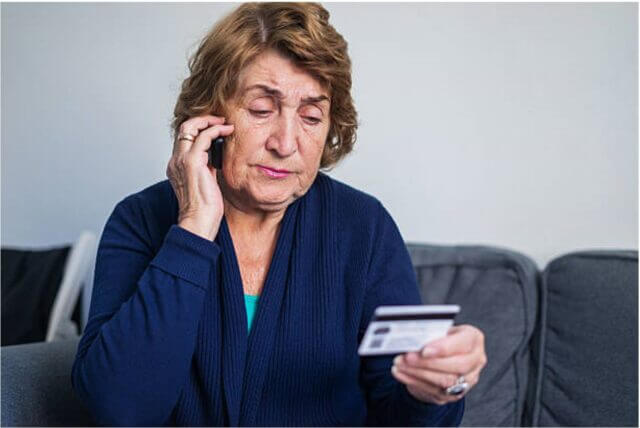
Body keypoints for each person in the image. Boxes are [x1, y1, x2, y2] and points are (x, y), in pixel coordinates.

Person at [72, 3, 487, 426]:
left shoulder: (365, 228)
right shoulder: (140, 220)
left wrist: (436, 389)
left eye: (310, 116)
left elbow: (402, 414)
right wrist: (193, 229)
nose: (286, 143)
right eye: (261, 110)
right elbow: (118, 409)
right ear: (209, 116)